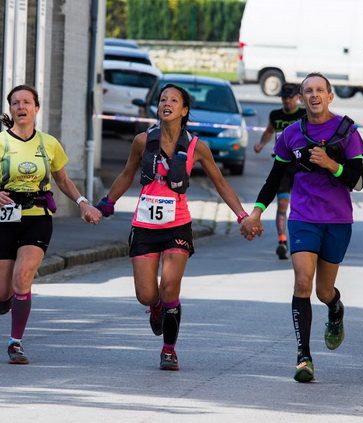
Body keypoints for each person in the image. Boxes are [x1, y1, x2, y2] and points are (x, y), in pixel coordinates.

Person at [95, 83, 252, 371]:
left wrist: (243, 216)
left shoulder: (196, 147)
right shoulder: (142, 141)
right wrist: (106, 203)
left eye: (174, 100)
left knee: (169, 286)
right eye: (163, 99)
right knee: (146, 294)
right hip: (144, 224)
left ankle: (169, 349)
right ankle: (155, 308)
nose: (166, 103)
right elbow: (127, 174)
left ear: (184, 110)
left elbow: (221, 184)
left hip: (177, 224)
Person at [241, 73, 363, 383]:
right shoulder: (291, 135)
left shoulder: (347, 131)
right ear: (301, 97)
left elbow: (359, 181)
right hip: (303, 218)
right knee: (302, 281)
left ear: (330, 96)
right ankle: (303, 357)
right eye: (308, 91)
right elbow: (274, 179)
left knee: (324, 291)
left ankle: (335, 309)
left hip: (337, 220)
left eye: (319, 90)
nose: (314, 95)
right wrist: (256, 213)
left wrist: (330, 164)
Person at [0, 85, 103, 365]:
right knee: (2, 291)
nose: (22, 107)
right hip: (3, 219)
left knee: (22, 278)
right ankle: (5, 299)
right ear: (11, 110)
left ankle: (15, 342)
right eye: (16, 103)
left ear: (36, 109)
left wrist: (83, 203)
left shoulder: (49, 144)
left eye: (27, 102)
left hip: (37, 218)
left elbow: (63, 180)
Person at [253, 83, 306, 259]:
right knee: (283, 204)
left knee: (301, 205)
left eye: (290, 98)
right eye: (284, 98)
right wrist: (261, 144)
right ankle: (282, 241)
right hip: (282, 165)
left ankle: (303, 241)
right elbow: (269, 131)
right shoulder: (276, 115)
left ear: (297, 98)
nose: (287, 101)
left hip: (301, 165)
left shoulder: (303, 115)